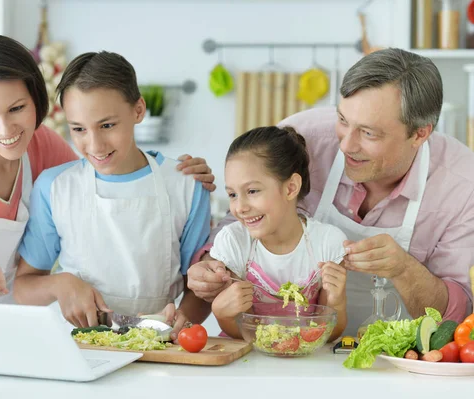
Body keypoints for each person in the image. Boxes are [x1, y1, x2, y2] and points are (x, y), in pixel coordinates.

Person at [0, 35, 215, 304]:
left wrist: (176, 174)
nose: (6, 128)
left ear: (36, 99)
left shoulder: (42, 145)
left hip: (25, 319)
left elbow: (98, 175)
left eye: (17, 109)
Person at [188, 48, 474, 335]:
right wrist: (210, 267)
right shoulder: (304, 137)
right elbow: (238, 222)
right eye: (343, 120)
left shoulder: (461, 186)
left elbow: (457, 319)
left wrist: (404, 269)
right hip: (299, 346)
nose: (347, 145)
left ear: (419, 134)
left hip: (397, 358)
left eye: (369, 133)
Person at [5, 51, 212, 340]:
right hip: (76, 345)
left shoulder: (187, 185)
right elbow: (24, 287)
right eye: (78, 129)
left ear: (138, 110)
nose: (95, 145)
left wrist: (184, 318)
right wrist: (60, 284)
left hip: (157, 344)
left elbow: (200, 288)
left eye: (107, 125)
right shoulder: (54, 187)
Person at [209, 126, 347, 341]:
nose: (240, 207)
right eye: (233, 194)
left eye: (252, 191)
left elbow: (330, 334)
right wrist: (221, 313)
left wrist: (336, 301)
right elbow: (239, 330)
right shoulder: (234, 240)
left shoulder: (327, 242)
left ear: (291, 188)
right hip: (247, 361)